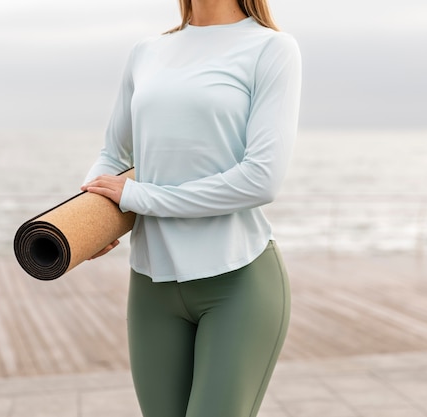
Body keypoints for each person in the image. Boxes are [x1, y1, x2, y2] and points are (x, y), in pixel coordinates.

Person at [80, 0, 301, 415]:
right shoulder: (146, 53)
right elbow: (113, 154)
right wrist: (92, 220)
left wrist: (139, 198)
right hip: (151, 286)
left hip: (238, 282)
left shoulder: (271, 49)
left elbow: (261, 179)